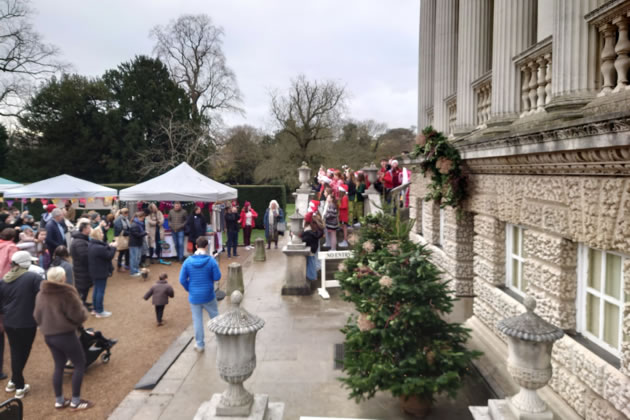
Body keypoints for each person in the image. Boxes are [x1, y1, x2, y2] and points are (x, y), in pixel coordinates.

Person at [33, 266, 93, 411]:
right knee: (79, 363)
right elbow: (78, 315)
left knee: (59, 365)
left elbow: (36, 316)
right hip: (66, 335)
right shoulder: (67, 292)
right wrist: (77, 322)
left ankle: (59, 401)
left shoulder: (41, 294)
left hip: (49, 335)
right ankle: (76, 401)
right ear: (62, 278)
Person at [0, 251, 43, 399]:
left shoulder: (4, 279)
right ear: (25, 263)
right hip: (26, 322)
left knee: (15, 351)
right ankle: (19, 385)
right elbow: (43, 297)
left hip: (9, 322)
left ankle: (13, 380)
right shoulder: (33, 278)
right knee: (22, 352)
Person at [179, 237, 221, 352]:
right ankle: (220, 340)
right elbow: (217, 277)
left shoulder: (187, 261)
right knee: (215, 317)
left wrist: (190, 289)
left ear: (196, 246)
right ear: (206, 246)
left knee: (197, 320)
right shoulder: (211, 261)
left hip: (194, 296)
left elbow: (182, 279)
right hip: (208, 294)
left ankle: (200, 344)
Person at [87, 228, 116, 318]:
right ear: (98, 235)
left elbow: (104, 248)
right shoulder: (98, 247)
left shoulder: (92, 244)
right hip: (100, 271)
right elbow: (109, 256)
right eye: (101, 233)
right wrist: (114, 247)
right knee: (100, 291)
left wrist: (109, 246)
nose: (103, 234)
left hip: (94, 270)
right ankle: (100, 311)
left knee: (96, 290)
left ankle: (95, 309)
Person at [70, 220, 92, 309]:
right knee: (82, 287)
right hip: (82, 269)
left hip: (82, 268)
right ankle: (80, 305)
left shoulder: (81, 239)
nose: (91, 229)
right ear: (85, 229)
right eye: (89, 227)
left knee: (85, 287)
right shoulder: (80, 242)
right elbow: (84, 257)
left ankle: (83, 302)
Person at [301, 212, 323, 283]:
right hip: (313, 248)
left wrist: (301, 236)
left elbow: (306, 239)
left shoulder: (308, 231)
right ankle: (313, 275)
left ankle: (312, 276)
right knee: (312, 261)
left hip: (311, 249)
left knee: (311, 263)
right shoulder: (313, 230)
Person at [129, 212, 147, 277]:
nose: (143, 219)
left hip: (138, 243)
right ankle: (133, 272)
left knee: (138, 258)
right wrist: (145, 233)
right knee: (134, 258)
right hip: (134, 244)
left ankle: (136, 269)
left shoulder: (139, 224)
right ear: (139, 217)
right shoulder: (134, 225)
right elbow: (137, 235)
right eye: (142, 218)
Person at [113, 208, 131, 272]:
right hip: (121, 238)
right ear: (123, 213)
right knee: (121, 253)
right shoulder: (118, 220)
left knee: (127, 252)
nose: (127, 214)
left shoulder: (125, 219)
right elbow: (120, 231)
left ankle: (127, 265)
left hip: (126, 238)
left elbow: (128, 228)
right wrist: (130, 233)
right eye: (126, 213)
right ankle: (119, 267)